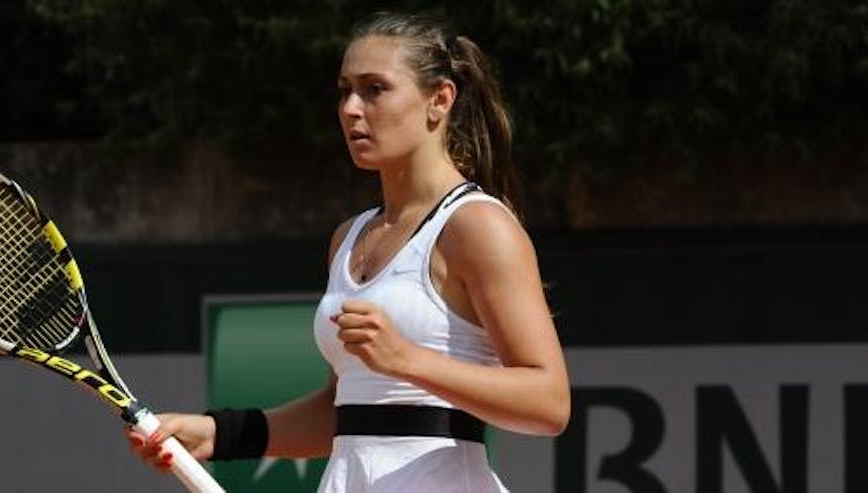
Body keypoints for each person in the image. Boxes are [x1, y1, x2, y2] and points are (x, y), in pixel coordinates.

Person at [127, 11, 570, 491]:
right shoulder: (348, 237)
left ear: (440, 99)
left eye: (375, 89)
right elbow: (349, 410)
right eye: (344, 91)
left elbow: (549, 403)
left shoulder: (478, 226)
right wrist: (221, 433)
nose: (351, 109)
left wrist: (406, 359)